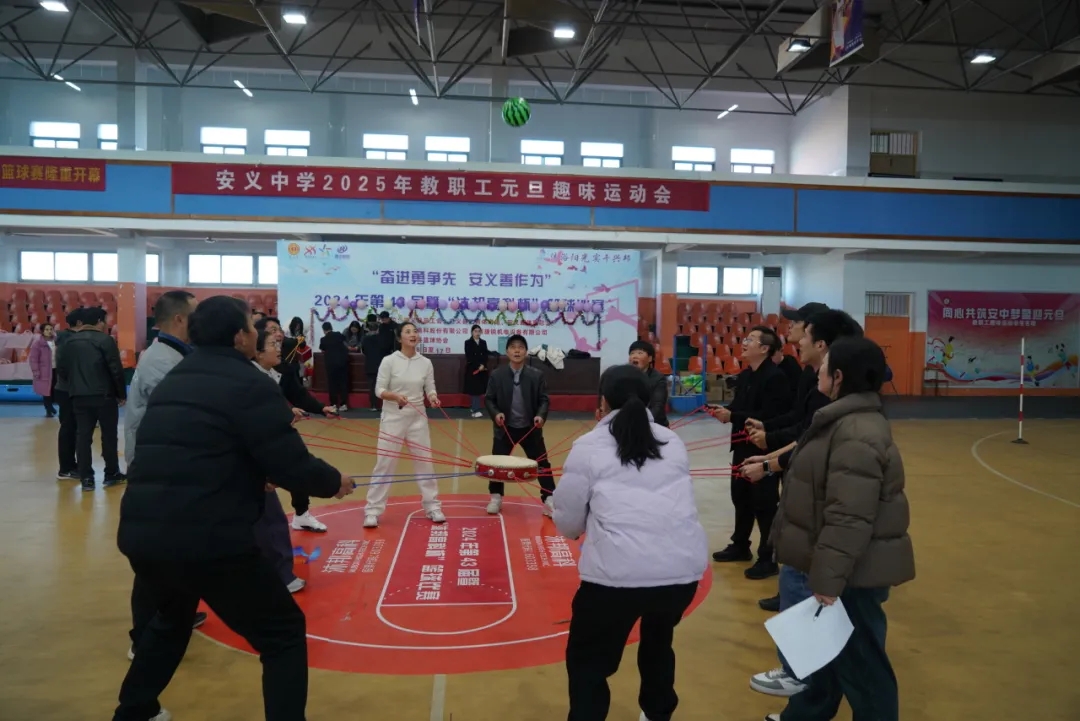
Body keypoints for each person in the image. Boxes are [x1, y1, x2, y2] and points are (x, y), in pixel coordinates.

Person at [112, 295, 353, 721]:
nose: (259, 333)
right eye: (253, 326)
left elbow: (199, 448)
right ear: (241, 336)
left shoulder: (176, 377)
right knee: (283, 633)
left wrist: (250, 470)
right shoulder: (249, 383)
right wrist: (335, 483)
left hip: (144, 532)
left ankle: (135, 711)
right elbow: (291, 463)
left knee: (171, 618)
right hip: (208, 538)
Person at [764, 336, 914, 721]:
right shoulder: (841, 420)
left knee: (865, 672)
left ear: (839, 376)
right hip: (842, 570)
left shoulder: (856, 432)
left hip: (854, 576)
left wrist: (829, 579)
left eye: (825, 363)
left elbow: (850, 515)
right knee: (827, 664)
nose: (818, 370)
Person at [554, 364, 707, 721]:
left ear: (603, 401)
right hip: (680, 575)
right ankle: (658, 713)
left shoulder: (589, 445)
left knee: (588, 662)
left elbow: (568, 521)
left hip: (615, 581)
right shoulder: (672, 441)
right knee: (659, 641)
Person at [741, 309, 863, 697]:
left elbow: (810, 445)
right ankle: (806, 681)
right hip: (807, 517)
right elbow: (805, 435)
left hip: (816, 527)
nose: (798, 338)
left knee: (808, 593)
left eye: (804, 332)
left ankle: (801, 676)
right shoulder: (839, 408)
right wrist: (769, 455)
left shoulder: (849, 419)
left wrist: (769, 462)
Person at [122, 290, 205, 661]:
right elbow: (188, 416)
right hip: (157, 473)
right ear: (180, 319)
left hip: (175, 469)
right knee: (157, 560)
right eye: (196, 314)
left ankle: (177, 613)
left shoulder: (177, 355)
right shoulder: (162, 361)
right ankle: (144, 637)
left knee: (182, 550)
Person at [708, 326, 790, 579]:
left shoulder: (775, 378)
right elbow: (739, 408)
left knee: (764, 504)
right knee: (740, 497)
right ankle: (740, 544)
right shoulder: (746, 376)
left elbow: (771, 415)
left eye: (750, 340)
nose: (744, 343)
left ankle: (768, 557)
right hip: (742, 446)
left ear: (764, 349)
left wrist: (733, 416)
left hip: (763, 449)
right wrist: (724, 412)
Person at [255, 318, 337, 534]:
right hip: (253, 437)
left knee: (296, 463)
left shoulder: (284, 367)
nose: (278, 337)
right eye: (272, 334)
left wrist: (321, 408)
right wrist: (284, 412)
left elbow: (298, 394)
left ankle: (301, 514)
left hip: (276, 432)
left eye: (279, 331)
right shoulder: (247, 374)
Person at [364, 321, 445, 528]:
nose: (413, 334)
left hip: (418, 418)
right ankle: (372, 510)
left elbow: (430, 387)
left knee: (424, 462)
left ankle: (432, 506)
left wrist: (433, 397)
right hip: (393, 418)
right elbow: (379, 390)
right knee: (385, 463)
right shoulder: (389, 361)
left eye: (415, 331)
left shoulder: (425, 362)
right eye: (408, 332)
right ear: (399, 338)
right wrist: (394, 396)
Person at [59, 306, 127, 491]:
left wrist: (74, 386)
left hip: (78, 396)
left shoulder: (68, 342)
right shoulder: (105, 340)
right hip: (104, 395)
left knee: (83, 436)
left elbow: (62, 369)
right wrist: (121, 394)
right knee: (108, 436)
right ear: (99, 321)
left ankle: (86, 478)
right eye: (105, 321)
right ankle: (111, 473)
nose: (106, 325)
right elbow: (115, 369)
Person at [484, 333, 552, 516]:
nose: (517, 351)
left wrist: (540, 416)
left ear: (526, 352)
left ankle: (549, 499)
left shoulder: (536, 375)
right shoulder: (497, 375)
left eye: (521, 347)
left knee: (542, 463)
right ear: (507, 351)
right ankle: (496, 497)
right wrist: (496, 414)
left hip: (530, 428)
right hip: (505, 428)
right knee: (497, 464)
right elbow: (489, 399)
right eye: (513, 347)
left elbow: (544, 400)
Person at [53, 309, 83, 480]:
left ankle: (71, 465)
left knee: (72, 429)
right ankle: (66, 468)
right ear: (79, 323)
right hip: (68, 390)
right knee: (68, 429)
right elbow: (64, 369)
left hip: (70, 389)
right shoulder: (67, 341)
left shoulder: (66, 339)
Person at [628, 339, 669, 427]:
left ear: (650, 358)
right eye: (632, 353)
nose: (635, 356)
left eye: (640, 353)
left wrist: (640, 423)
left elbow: (657, 407)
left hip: (655, 425)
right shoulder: (624, 377)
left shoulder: (658, 379)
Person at [319, 321, 350, 412]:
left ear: (324, 330)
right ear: (331, 327)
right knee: (343, 383)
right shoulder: (338, 334)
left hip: (331, 364)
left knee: (332, 384)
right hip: (342, 363)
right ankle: (344, 404)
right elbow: (345, 340)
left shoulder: (323, 339)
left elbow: (322, 348)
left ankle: (333, 404)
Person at [29, 322, 57, 417]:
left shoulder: (57, 342)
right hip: (45, 371)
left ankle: (51, 406)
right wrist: (36, 371)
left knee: (55, 389)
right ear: (42, 331)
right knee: (46, 391)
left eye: (51, 329)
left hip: (56, 369)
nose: (49, 331)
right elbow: (33, 359)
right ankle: (49, 409)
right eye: (47, 329)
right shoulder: (37, 344)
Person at [463, 324, 490, 418]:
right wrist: (478, 366)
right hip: (472, 369)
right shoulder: (468, 342)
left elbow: (485, 355)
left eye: (479, 331)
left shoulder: (483, 342)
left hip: (482, 369)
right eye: (475, 331)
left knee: (479, 390)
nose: (477, 333)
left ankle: (474, 407)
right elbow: (469, 357)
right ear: (472, 332)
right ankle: (475, 410)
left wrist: (483, 365)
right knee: (474, 390)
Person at [360, 315, 386, 411]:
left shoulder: (365, 339)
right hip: (380, 364)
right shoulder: (381, 339)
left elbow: (364, 351)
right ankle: (384, 405)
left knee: (371, 386)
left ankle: (373, 405)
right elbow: (385, 350)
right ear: (378, 329)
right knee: (382, 385)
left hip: (369, 364)